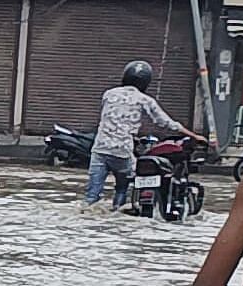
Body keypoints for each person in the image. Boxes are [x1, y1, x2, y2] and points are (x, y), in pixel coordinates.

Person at [86, 60, 202, 210]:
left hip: (100, 149)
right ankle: (117, 210)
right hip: (122, 152)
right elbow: (166, 122)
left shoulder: (108, 94)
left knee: (91, 196)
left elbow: (114, 118)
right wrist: (194, 136)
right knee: (122, 189)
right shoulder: (145, 99)